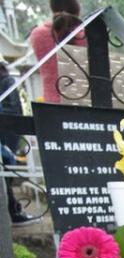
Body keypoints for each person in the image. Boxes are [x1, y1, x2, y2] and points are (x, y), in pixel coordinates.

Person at [28, 0, 86, 104]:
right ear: (77, 8)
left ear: (52, 7)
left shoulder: (37, 34)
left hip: (51, 105)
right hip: (82, 102)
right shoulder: (85, 36)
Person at [0, 63, 32, 225]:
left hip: (6, 135)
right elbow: (15, 109)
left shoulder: (7, 82)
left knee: (6, 176)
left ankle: (13, 211)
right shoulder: (7, 81)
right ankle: (14, 212)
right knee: (7, 173)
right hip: (7, 134)